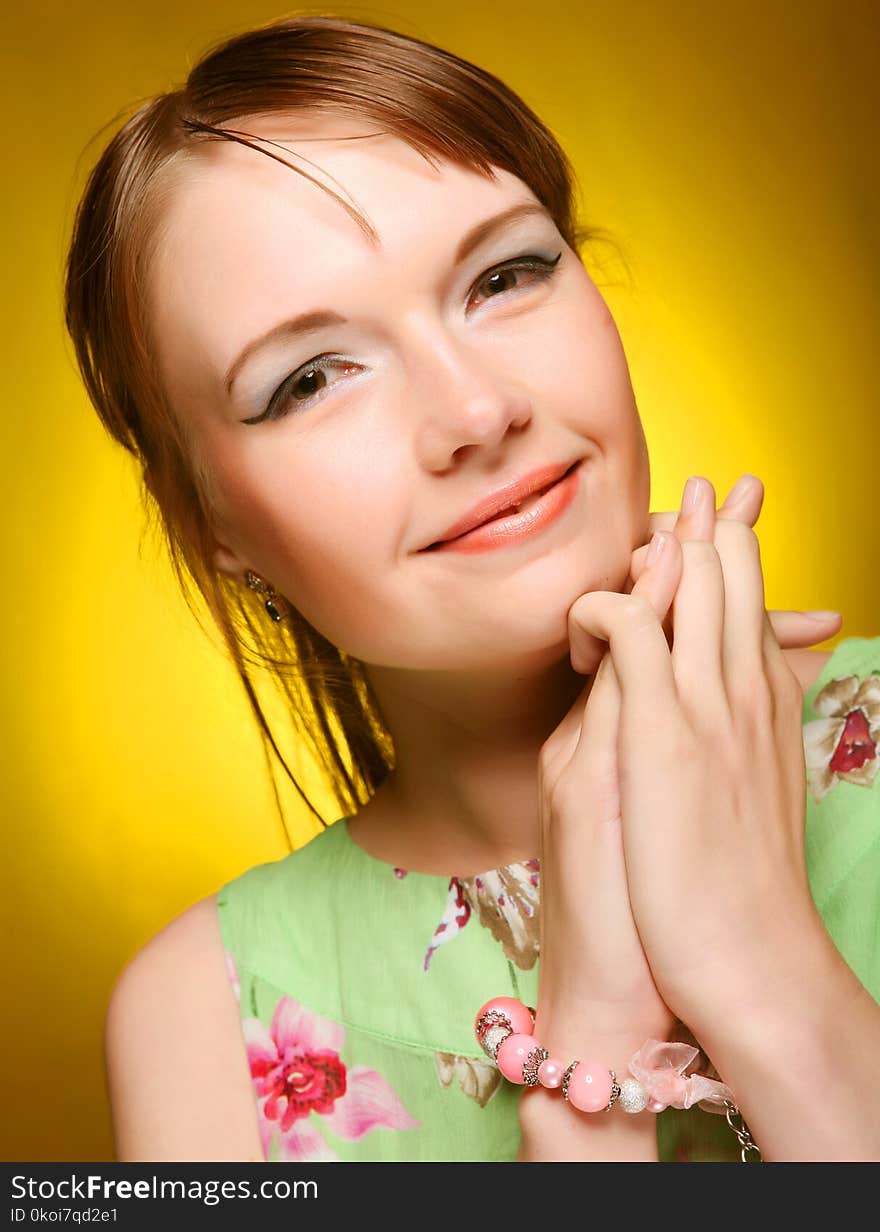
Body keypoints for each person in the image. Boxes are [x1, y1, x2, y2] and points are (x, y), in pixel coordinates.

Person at [63, 14, 880, 1163]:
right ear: (216, 527)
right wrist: (586, 1064)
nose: (475, 412)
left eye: (505, 274)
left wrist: (757, 963)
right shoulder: (203, 1021)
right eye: (309, 378)